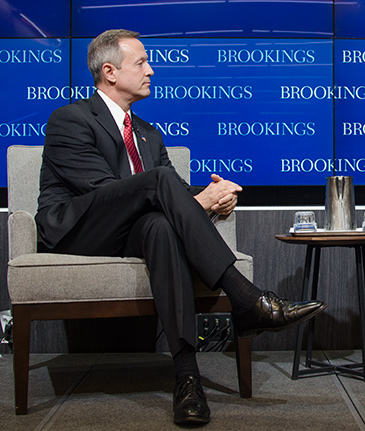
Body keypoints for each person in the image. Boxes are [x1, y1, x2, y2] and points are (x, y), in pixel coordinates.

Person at [36, 29, 327, 426]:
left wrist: (213, 195)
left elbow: (168, 190)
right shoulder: (69, 119)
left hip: (132, 232)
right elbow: (107, 192)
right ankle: (247, 298)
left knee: (160, 226)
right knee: (156, 186)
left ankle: (187, 377)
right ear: (109, 71)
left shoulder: (149, 133)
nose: (150, 70)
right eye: (140, 62)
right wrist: (196, 201)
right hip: (79, 231)